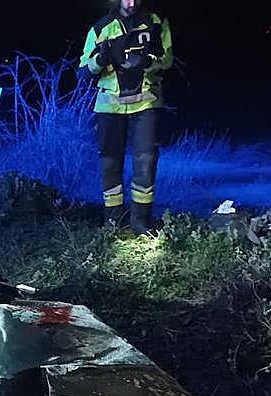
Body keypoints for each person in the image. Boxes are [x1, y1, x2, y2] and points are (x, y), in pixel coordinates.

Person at [81, 0, 173, 234]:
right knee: (110, 163)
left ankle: (140, 223)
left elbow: (167, 60)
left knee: (146, 162)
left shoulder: (155, 23)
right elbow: (83, 72)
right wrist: (100, 60)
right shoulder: (102, 28)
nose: (131, 3)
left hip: (146, 101)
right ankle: (112, 221)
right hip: (109, 106)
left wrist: (147, 62)